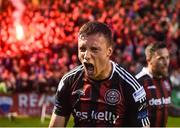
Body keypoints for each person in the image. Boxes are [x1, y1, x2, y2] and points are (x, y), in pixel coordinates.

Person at [49, 21, 150, 127]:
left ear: (109, 52)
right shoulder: (69, 81)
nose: (86, 56)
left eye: (94, 49)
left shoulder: (130, 87)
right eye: (82, 49)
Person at [135, 42, 180, 127]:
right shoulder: (139, 82)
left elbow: (166, 107)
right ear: (149, 60)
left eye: (167, 57)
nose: (166, 62)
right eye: (161, 58)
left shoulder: (166, 80)